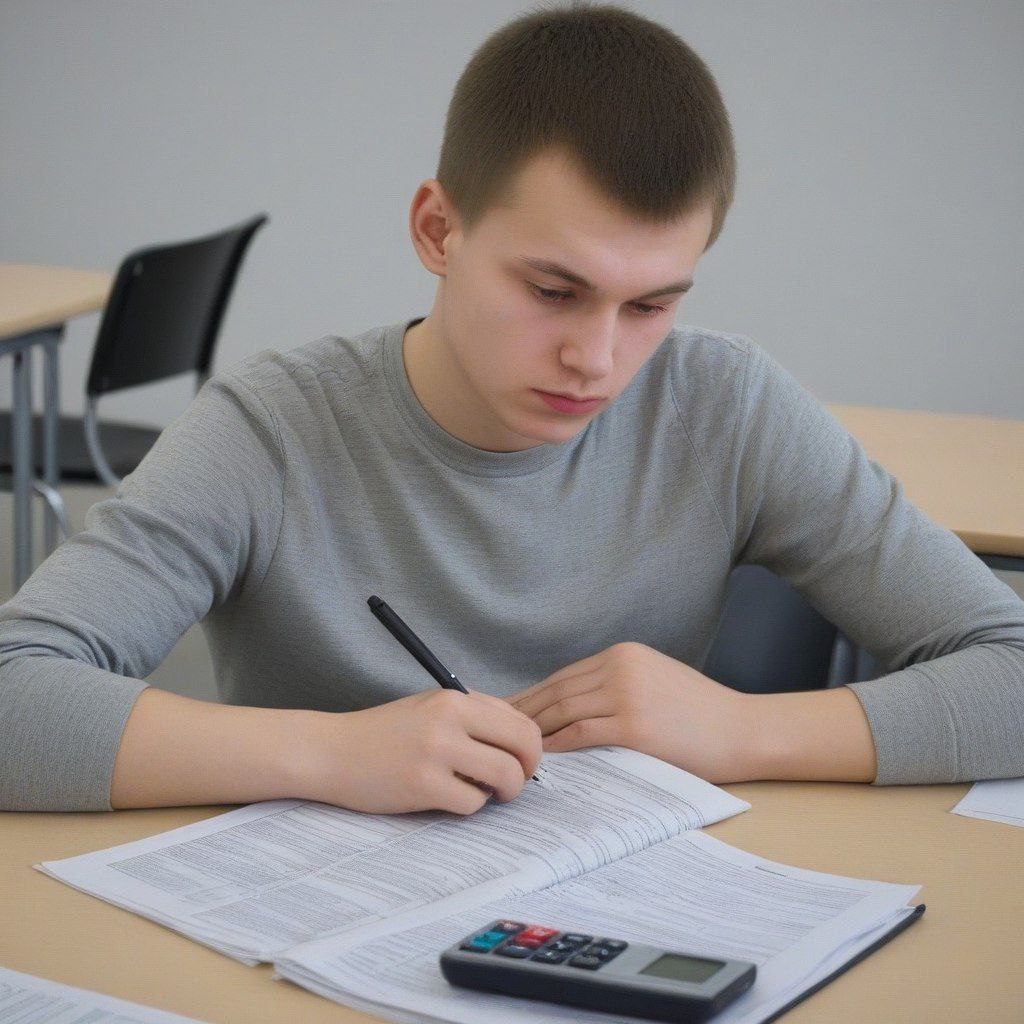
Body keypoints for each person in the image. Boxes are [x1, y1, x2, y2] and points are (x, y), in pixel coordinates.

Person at [2, 3, 1022, 815]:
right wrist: (328, 750)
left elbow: (1007, 669)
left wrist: (741, 730)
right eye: (551, 290)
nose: (597, 358)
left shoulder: (725, 404)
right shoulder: (272, 430)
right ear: (438, 229)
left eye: (651, 304)